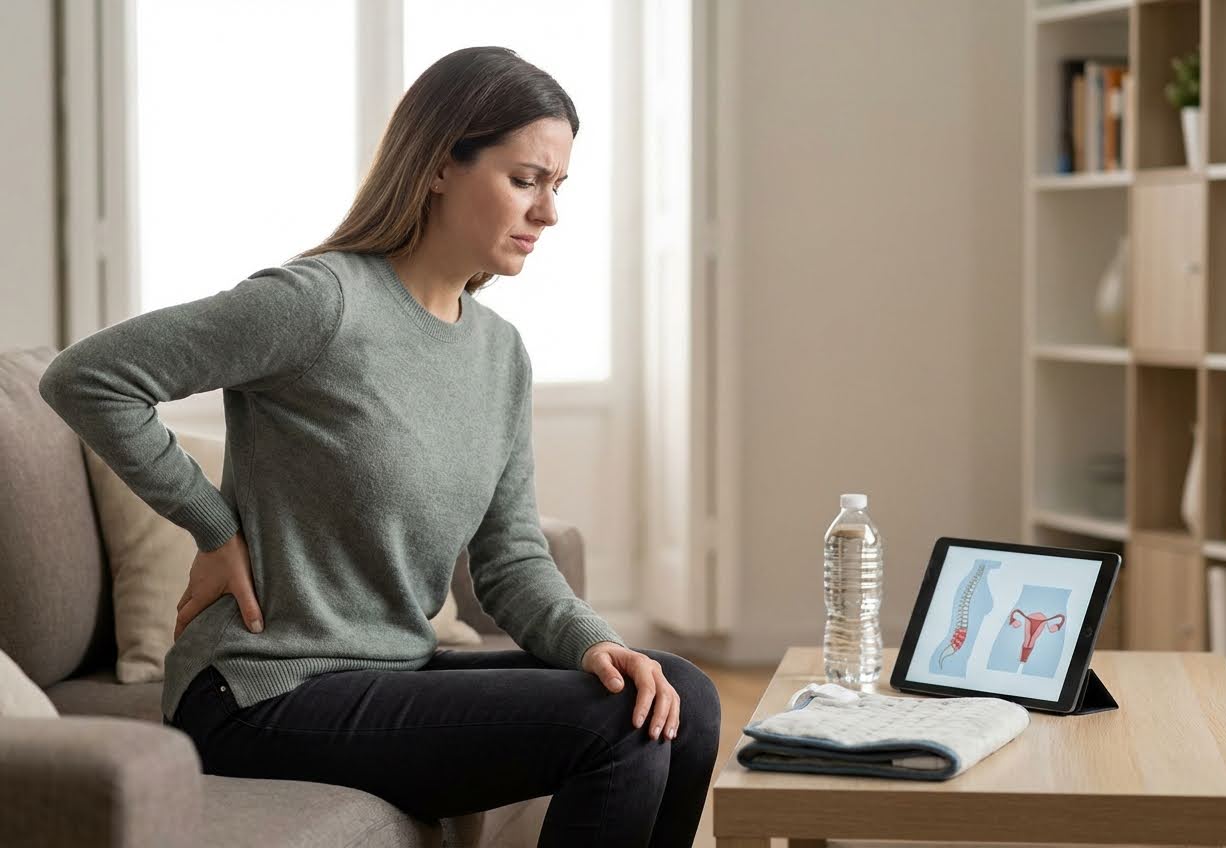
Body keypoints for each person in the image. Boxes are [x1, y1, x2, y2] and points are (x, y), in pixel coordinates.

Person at [38, 45, 721, 847]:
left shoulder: (500, 353)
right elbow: (88, 377)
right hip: (260, 692)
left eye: (558, 186)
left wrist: (597, 643)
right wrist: (212, 525)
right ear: (438, 166)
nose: (549, 213)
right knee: (621, 729)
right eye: (525, 179)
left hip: (389, 669)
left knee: (680, 698)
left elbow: (510, 560)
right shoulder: (320, 302)